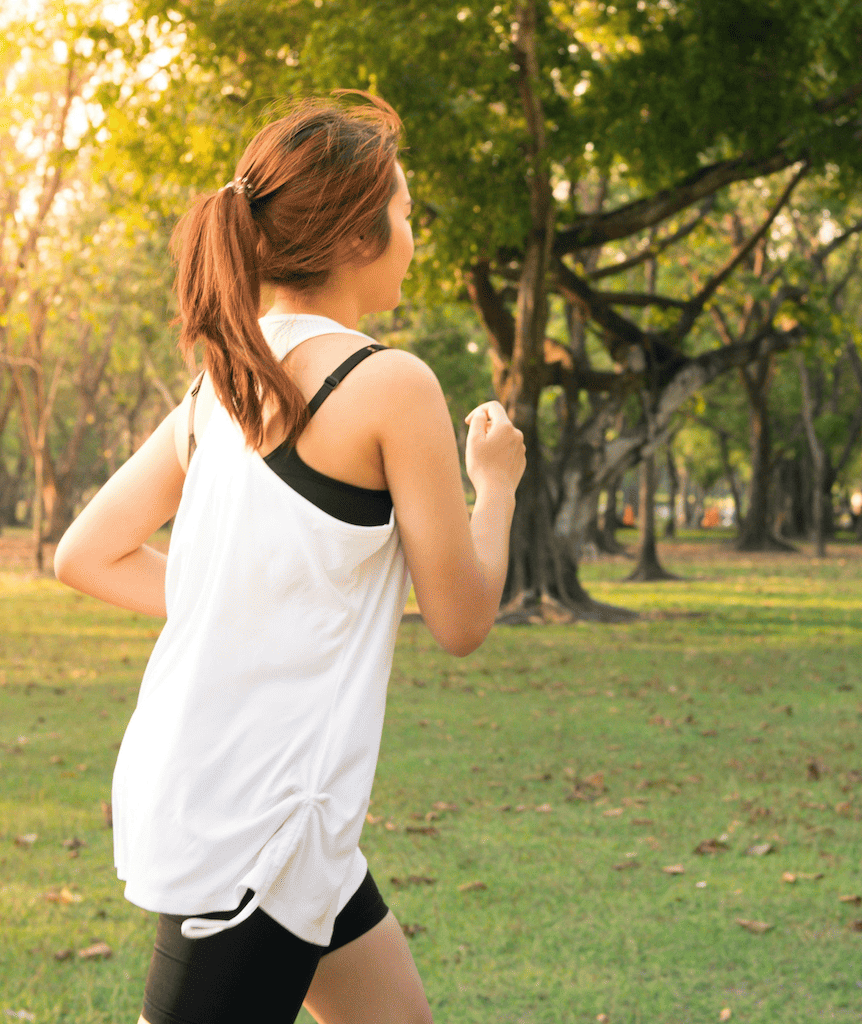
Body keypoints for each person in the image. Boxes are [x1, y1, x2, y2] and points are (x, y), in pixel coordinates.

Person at [52, 91, 526, 1024]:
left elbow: (87, 554)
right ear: (355, 237)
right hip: (257, 829)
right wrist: (497, 484)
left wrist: (237, 604)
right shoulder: (389, 383)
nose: (411, 233)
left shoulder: (220, 385)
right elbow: (463, 618)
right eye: (402, 213)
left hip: (260, 809)